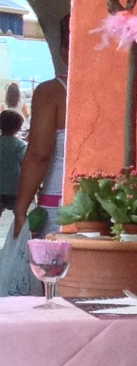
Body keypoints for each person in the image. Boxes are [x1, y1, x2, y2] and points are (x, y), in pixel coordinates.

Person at [0, 77, 65, 295]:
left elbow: (38, 155)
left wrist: (21, 210)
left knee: (49, 286)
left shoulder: (52, 91)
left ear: (65, 50)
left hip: (55, 207)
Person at [0, 109, 24, 217]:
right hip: (15, 186)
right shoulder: (20, 145)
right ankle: (19, 232)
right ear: (18, 128)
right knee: (19, 213)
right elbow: (25, 162)